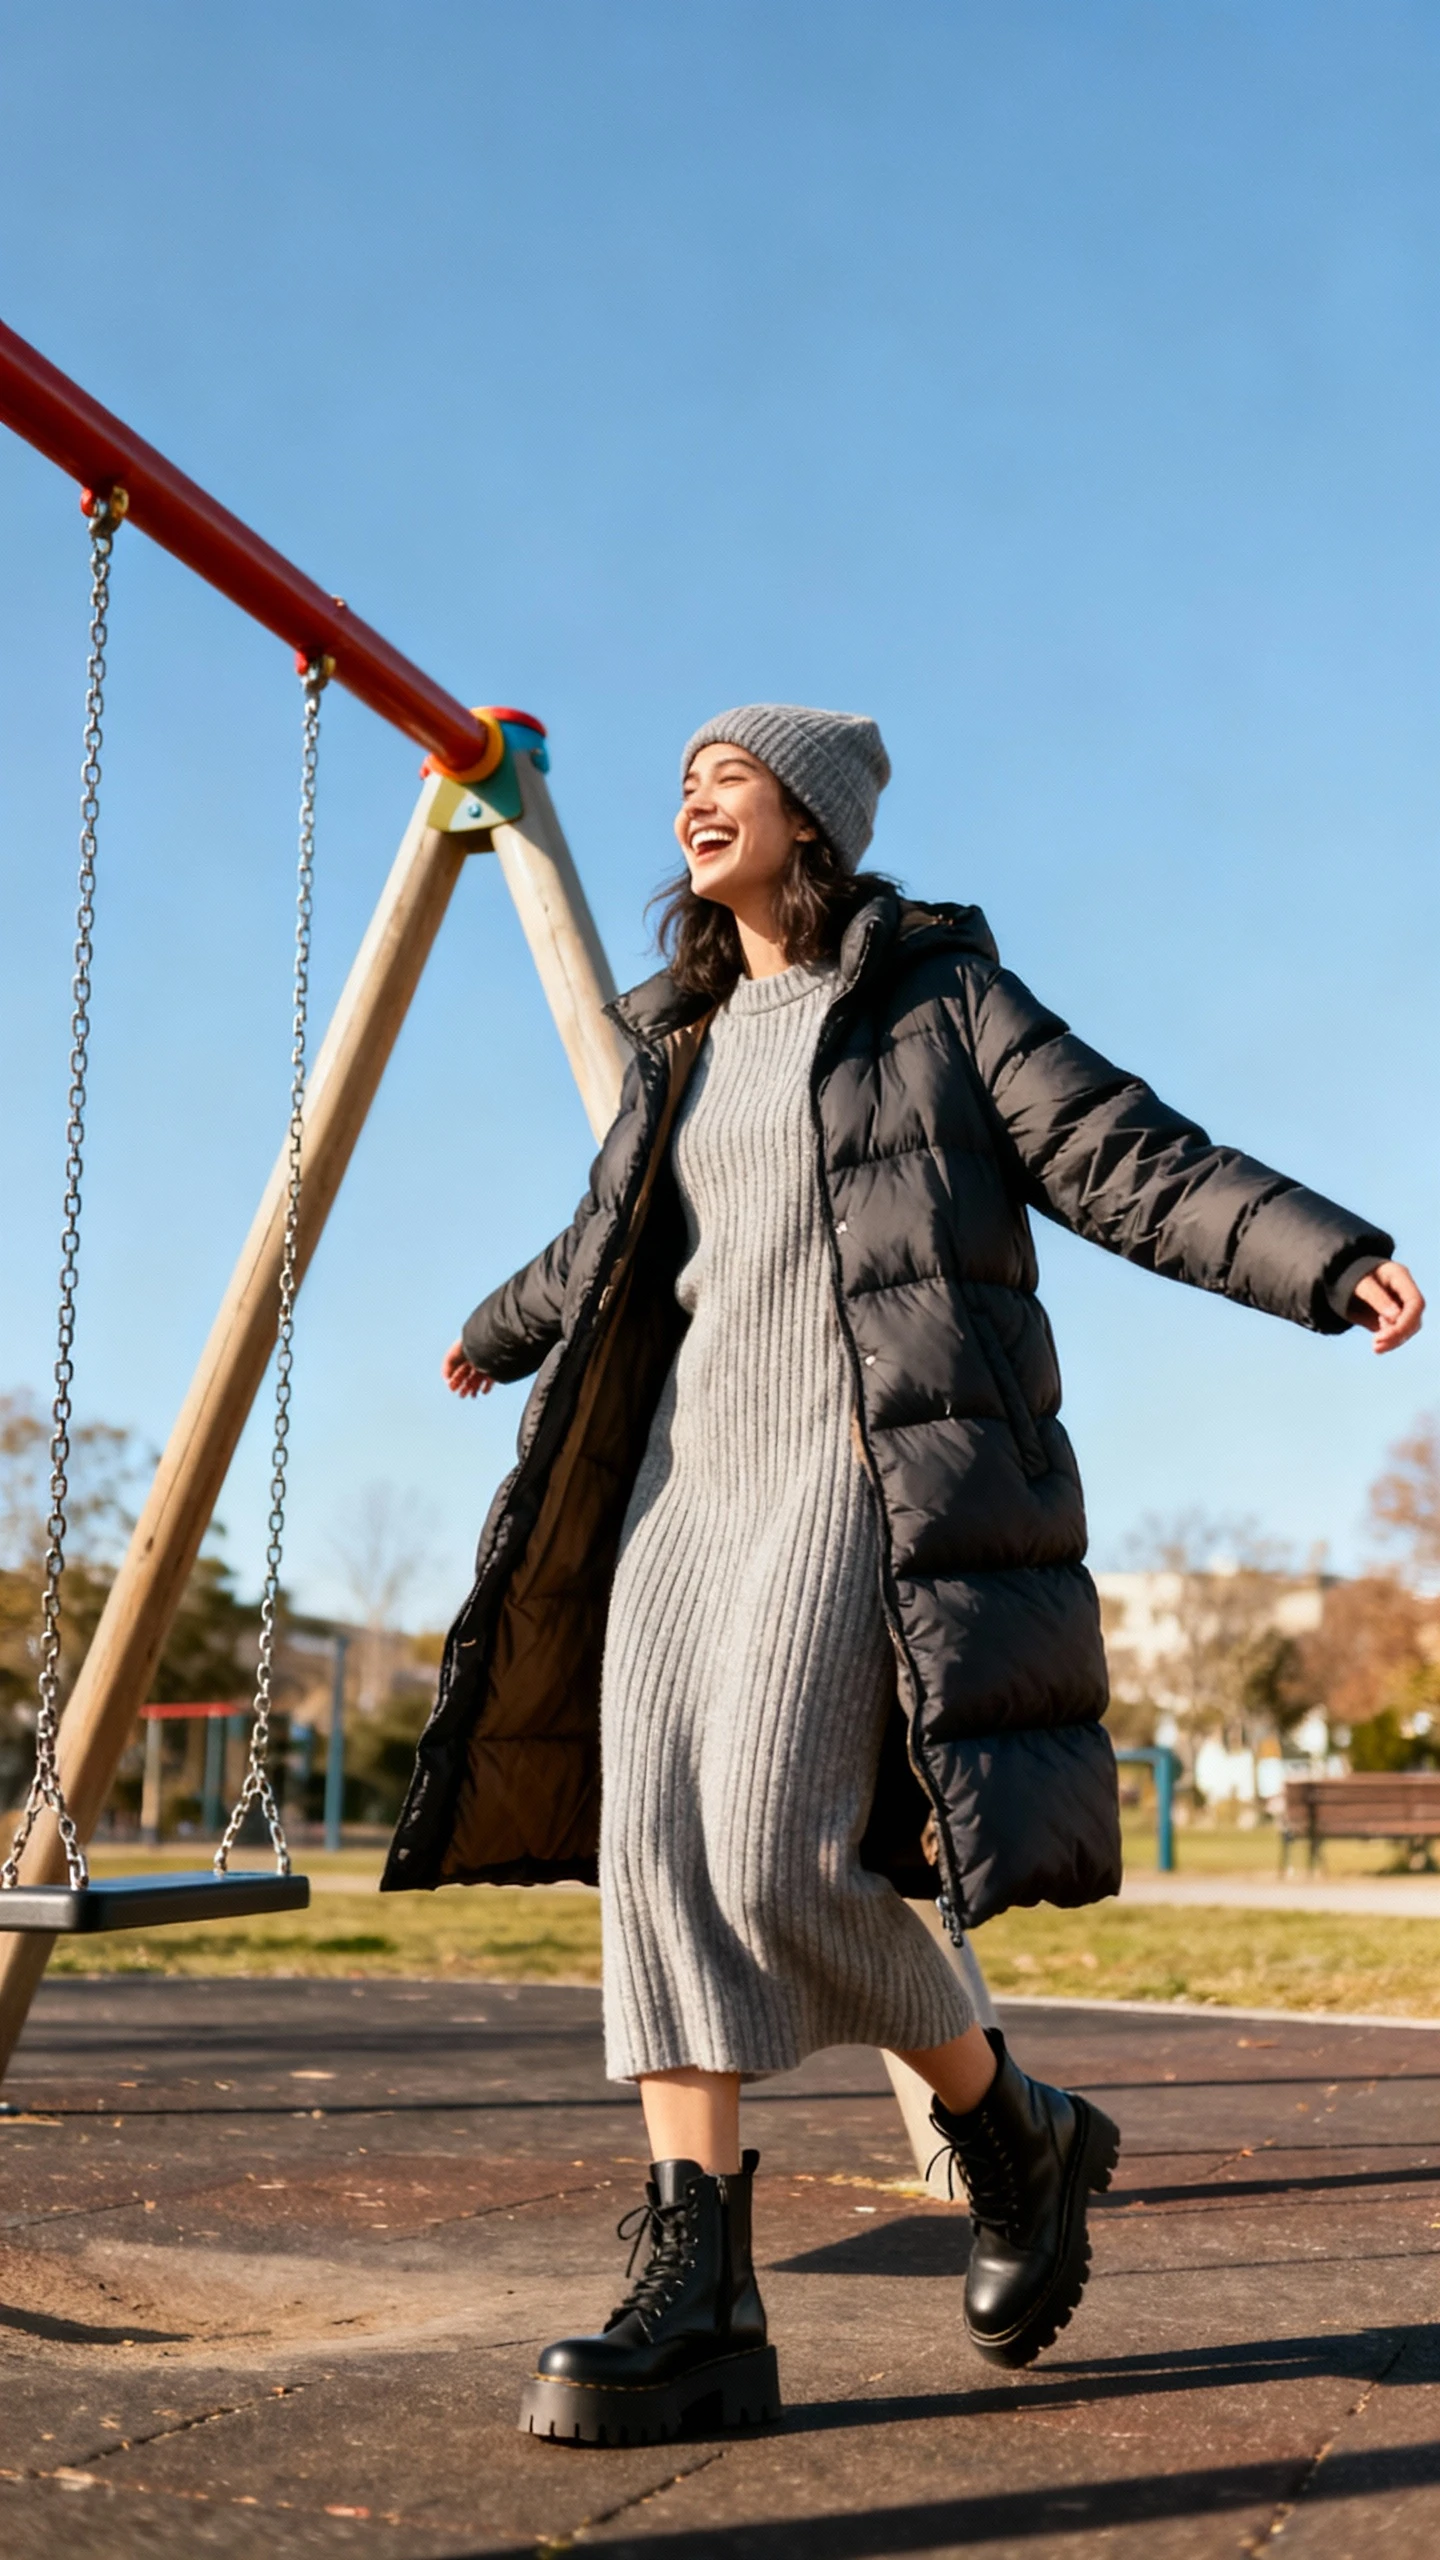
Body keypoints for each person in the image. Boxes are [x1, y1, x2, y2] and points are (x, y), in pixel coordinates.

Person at [382, 704, 1422, 2447]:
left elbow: (1123, 1151)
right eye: (686, 783)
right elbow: (617, 1233)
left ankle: (1010, 2125)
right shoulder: (687, 1037)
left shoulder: (941, 1000)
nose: (694, 800)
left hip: (843, 1480)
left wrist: (1325, 1258)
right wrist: (504, 1323)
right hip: (675, 1495)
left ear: (818, 822)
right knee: (650, 1853)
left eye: (733, 779)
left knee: (780, 1862)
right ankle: (699, 2280)